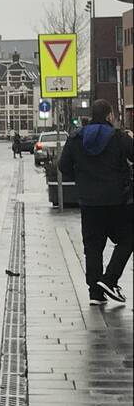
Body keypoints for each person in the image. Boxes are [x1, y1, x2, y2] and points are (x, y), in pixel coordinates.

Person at [58, 100, 134, 305]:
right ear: (109, 116)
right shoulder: (118, 137)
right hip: (116, 201)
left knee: (92, 246)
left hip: (89, 203)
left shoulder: (75, 138)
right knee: (128, 239)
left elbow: (63, 165)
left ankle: (95, 293)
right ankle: (109, 279)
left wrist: (82, 180)